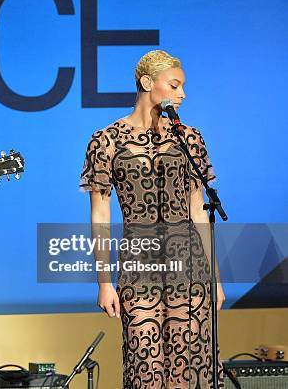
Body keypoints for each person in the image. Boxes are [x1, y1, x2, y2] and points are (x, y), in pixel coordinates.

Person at [80, 50, 225, 388]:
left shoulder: (190, 138)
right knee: (145, 368)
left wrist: (215, 277)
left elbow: (199, 210)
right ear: (147, 83)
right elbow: (100, 214)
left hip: (189, 264)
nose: (182, 94)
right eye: (174, 85)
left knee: (186, 371)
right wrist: (103, 281)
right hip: (138, 265)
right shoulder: (107, 140)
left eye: (183, 87)